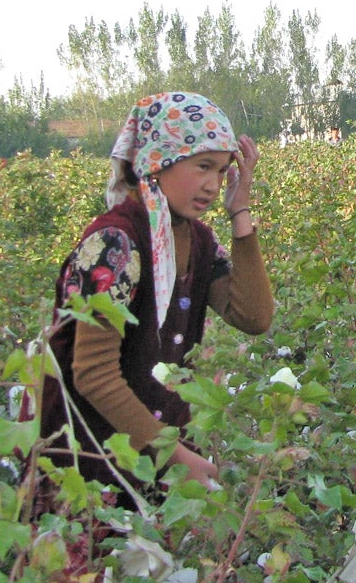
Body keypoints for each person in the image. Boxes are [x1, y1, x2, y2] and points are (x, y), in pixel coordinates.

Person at [33, 91, 275, 514]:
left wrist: (240, 211)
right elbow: (94, 375)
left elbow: (254, 317)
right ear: (158, 159)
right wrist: (174, 455)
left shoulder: (197, 239)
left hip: (152, 450)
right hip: (91, 459)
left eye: (222, 171)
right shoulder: (115, 244)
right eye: (202, 166)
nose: (213, 185)